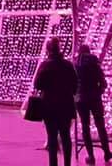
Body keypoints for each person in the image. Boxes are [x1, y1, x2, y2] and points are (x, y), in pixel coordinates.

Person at [34, 37, 77, 166]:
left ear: (48, 50)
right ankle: (67, 163)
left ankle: (53, 164)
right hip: (66, 105)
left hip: (49, 107)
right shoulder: (68, 65)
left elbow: (37, 84)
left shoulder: (45, 65)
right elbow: (75, 83)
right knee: (66, 137)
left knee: (52, 138)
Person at [75, 44, 112, 164]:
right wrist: (98, 91)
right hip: (95, 98)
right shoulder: (95, 64)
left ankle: (91, 156)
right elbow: (103, 83)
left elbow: (73, 82)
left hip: (81, 99)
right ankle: (107, 152)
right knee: (100, 126)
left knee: (85, 127)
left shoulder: (76, 65)